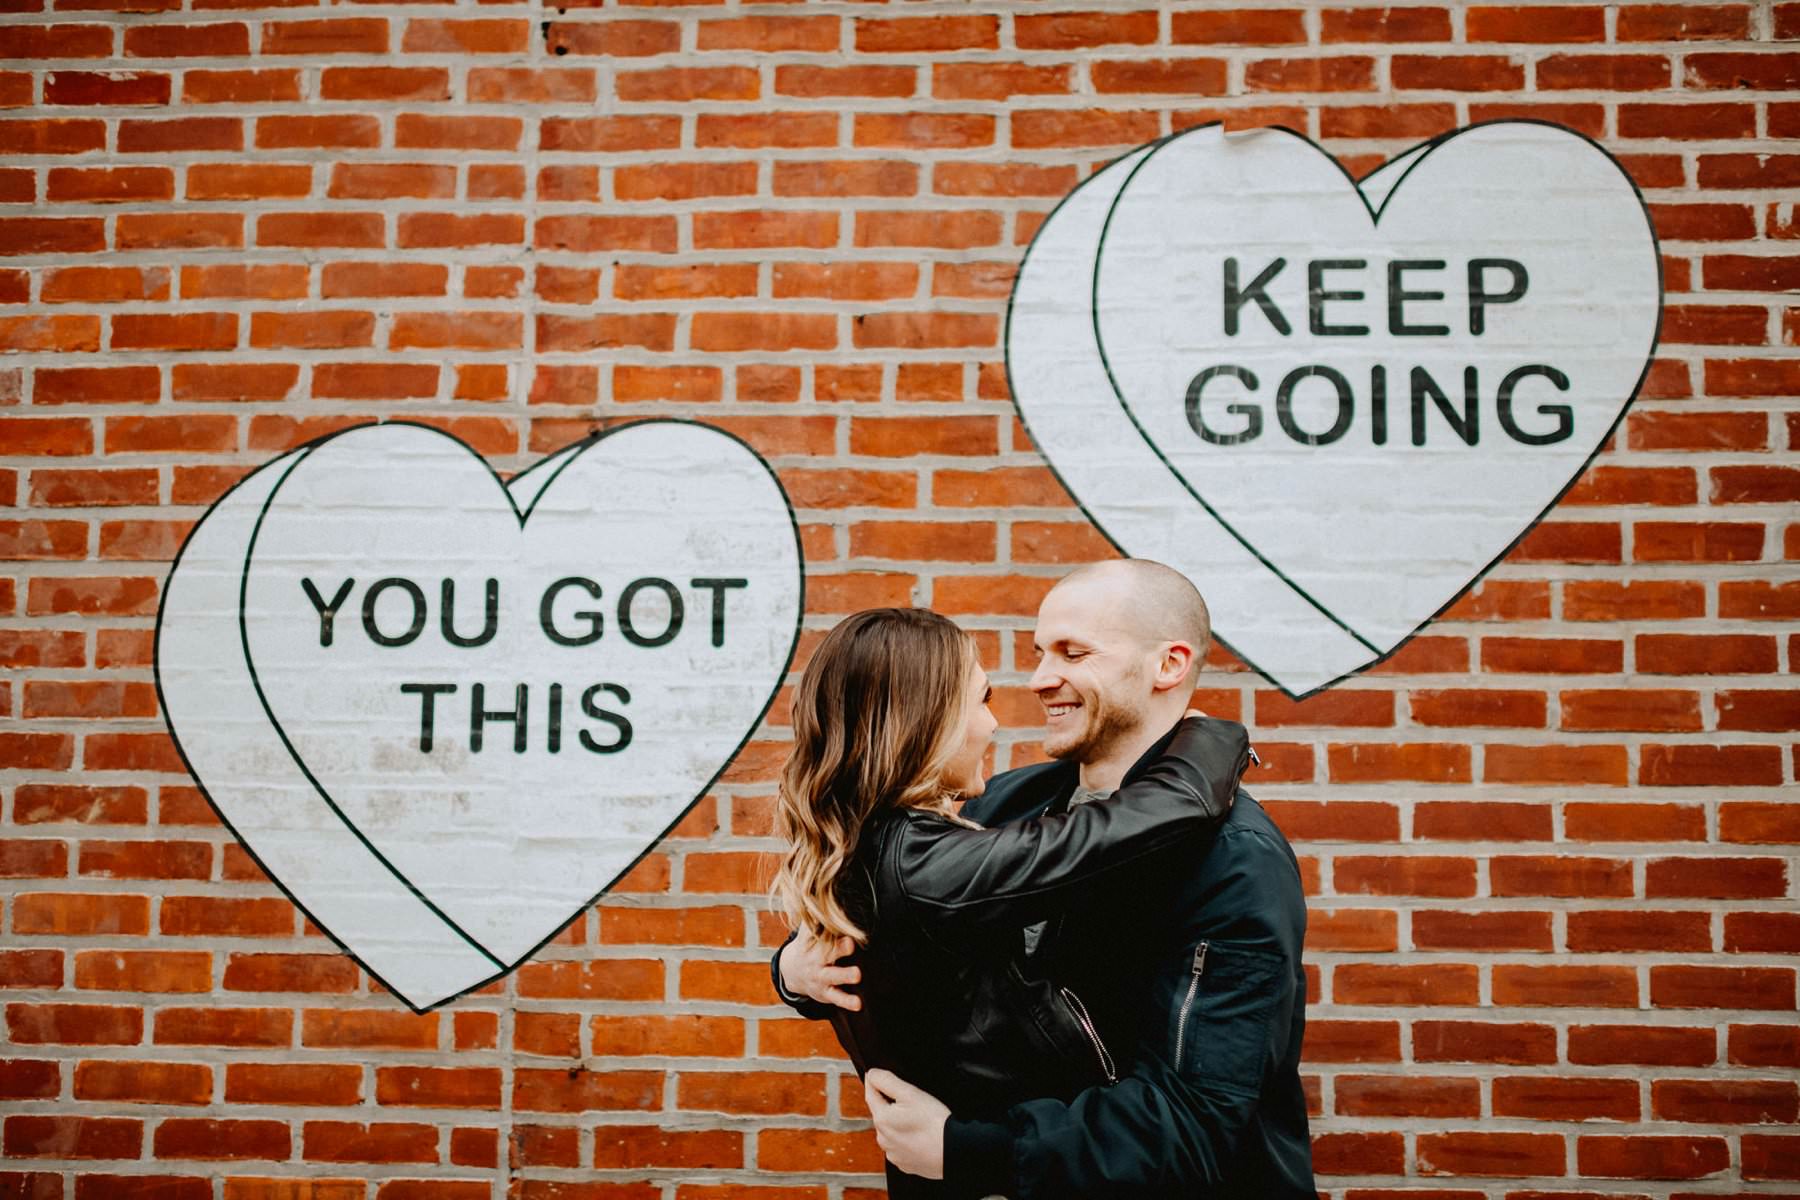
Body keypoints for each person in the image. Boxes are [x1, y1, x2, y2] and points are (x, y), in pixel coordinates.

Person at [777, 560, 1314, 1198]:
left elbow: (1195, 1125)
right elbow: (911, 930)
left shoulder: (1233, 859)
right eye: (1038, 653)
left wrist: (970, 1150)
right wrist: (797, 971)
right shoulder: (1001, 806)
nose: (1037, 680)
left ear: (1169, 666)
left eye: (1072, 652)